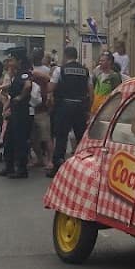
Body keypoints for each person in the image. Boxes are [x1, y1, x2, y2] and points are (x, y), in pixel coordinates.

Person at [48, 46, 93, 175]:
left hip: (64, 106)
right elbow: (91, 92)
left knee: (61, 136)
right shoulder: (85, 71)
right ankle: (84, 166)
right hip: (80, 107)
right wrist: (87, 109)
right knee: (81, 137)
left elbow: (51, 88)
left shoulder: (59, 70)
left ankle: (57, 166)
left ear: (66, 56)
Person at [0, 55, 35, 179]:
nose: (10, 62)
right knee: (9, 139)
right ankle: (9, 167)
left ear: (19, 60)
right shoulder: (16, 74)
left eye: (12, 60)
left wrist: (21, 97)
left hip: (22, 111)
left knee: (20, 140)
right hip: (14, 110)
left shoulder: (24, 72)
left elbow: (28, 85)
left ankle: (21, 169)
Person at [29, 48, 53, 172]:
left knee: (46, 136)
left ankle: (49, 160)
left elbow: (51, 84)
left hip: (43, 108)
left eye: (37, 55)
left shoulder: (46, 70)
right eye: (34, 55)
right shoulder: (28, 69)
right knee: (33, 138)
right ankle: (39, 159)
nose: (35, 57)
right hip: (31, 107)